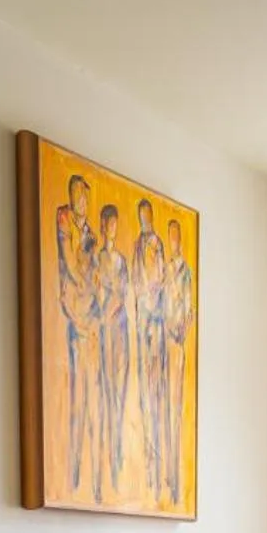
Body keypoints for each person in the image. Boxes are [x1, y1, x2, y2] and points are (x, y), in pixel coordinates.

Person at [54, 174, 98, 498]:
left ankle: (86, 479)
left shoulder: (91, 234)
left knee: (92, 397)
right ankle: (72, 474)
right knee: (76, 396)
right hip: (74, 315)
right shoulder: (64, 219)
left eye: (82, 197)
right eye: (74, 195)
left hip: (92, 319)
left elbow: (94, 276)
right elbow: (70, 263)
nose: (78, 201)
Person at [94, 204, 133, 493]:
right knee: (106, 395)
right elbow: (98, 292)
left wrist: (112, 308)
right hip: (104, 332)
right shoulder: (98, 260)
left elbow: (121, 294)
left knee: (119, 395)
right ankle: (108, 457)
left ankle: (117, 453)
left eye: (115, 224)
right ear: (103, 224)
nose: (112, 228)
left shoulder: (121, 261)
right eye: (108, 223)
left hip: (119, 332)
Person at [131, 199, 168, 497]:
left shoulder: (157, 245)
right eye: (141, 216)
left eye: (147, 216)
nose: (144, 220)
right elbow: (135, 281)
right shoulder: (136, 246)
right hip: (142, 323)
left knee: (157, 398)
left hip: (155, 324)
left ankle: (158, 475)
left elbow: (160, 284)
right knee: (144, 396)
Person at [163, 218, 193, 505]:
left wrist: (180, 329)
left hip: (177, 345)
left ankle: (172, 477)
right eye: (169, 236)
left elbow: (189, 311)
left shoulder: (185, 273)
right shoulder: (163, 271)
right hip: (161, 345)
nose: (173, 242)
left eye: (175, 237)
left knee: (175, 407)